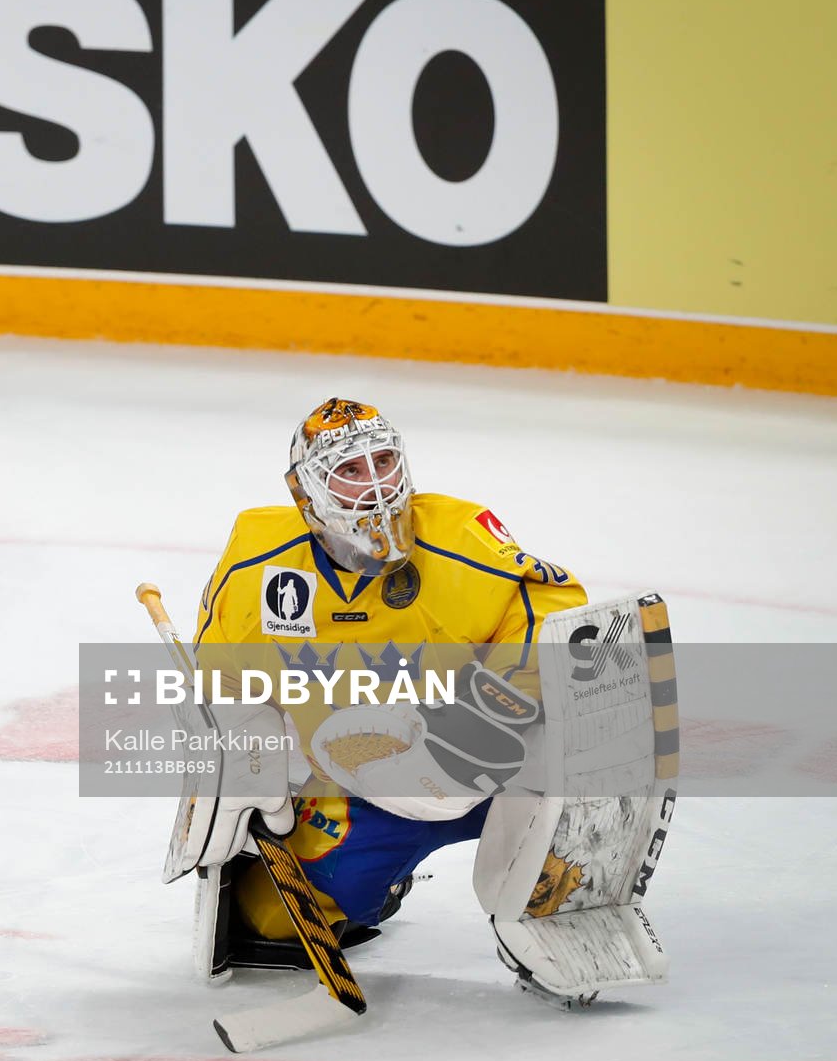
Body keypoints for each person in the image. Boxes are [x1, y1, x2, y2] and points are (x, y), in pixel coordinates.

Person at [191, 397, 588, 956]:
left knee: (569, 778)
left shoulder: (461, 535)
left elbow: (558, 617)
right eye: (350, 470)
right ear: (307, 491)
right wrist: (249, 755)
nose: (377, 487)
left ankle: (563, 894)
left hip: (485, 766)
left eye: (383, 462)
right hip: (354, 785)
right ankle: (383, 882)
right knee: (275, 919)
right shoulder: (258, 561)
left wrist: (491, 713)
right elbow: (219, 679)